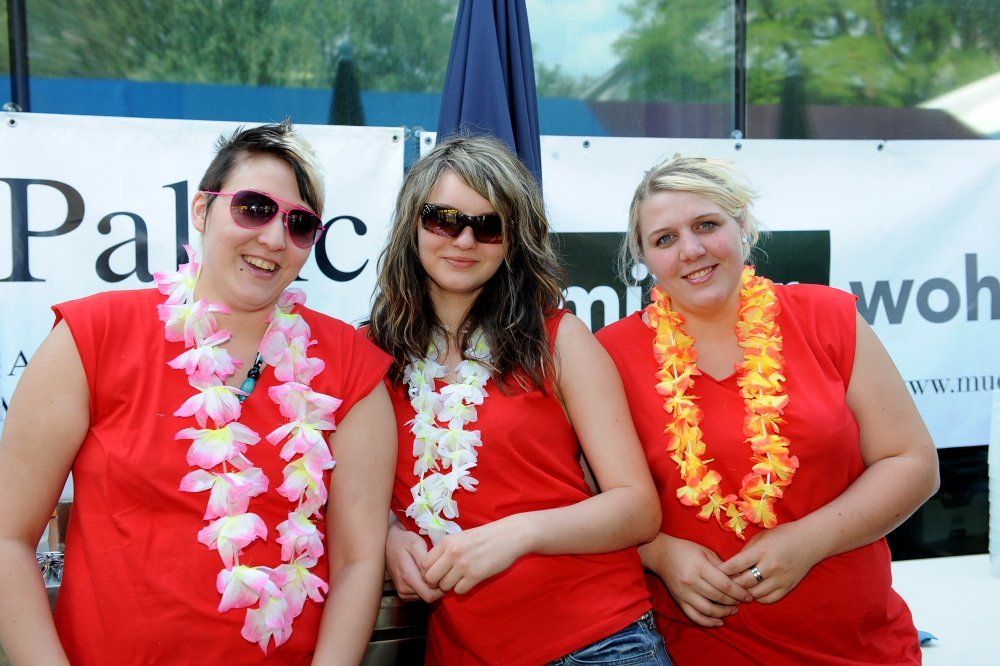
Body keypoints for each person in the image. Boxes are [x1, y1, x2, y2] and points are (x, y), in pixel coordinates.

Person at [0, 121, 396, 664]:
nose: (274, 239)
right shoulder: (91, 338)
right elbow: (8, 538)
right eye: (254, 208)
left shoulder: (351, 367)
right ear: (202, 209)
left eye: (299, 223)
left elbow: (357, 563)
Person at [596, 155, 940, 665]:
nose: (691, 250)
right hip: (696, 650)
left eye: (706, 225)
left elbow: (913, 463)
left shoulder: (828, 317)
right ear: (643, 257)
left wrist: (807, 541)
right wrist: (659, 554)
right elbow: (584, 498)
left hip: (860, 645)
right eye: (665, 239)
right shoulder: (609, 354)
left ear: (742, 224)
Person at [367, 135, 670, 665]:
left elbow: (637, 508)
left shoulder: (558, 339)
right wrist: (389, 535)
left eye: (488, 226)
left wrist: (518, 534)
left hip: (600, 643)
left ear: (513, 241)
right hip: (462, 652)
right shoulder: (370, 354)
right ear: (413, 225)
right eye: (444, 220)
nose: (465, 240)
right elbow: (336, 492)